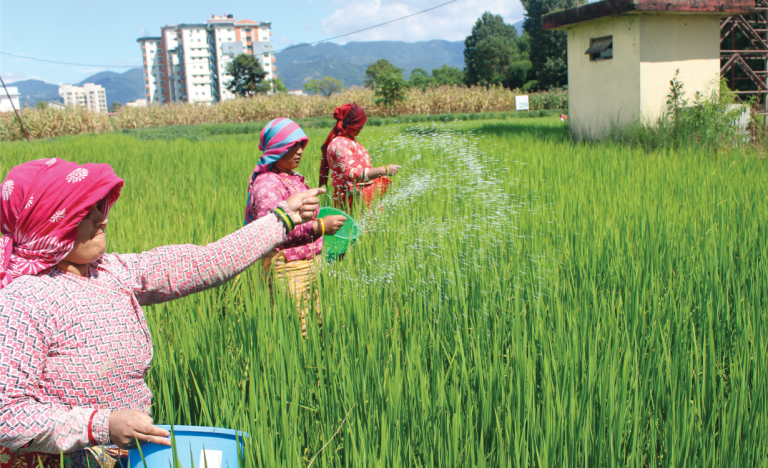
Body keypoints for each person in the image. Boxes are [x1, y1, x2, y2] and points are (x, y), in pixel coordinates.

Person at [0, 158, 322, 468]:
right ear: (47, 222)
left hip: (132, 456)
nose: (103, 218)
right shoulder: (23, 301)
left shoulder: (112, 271)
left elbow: (205, 262)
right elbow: (8, 415)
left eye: (101, 206)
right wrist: (102, 425)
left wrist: (282, 218)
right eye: (86, 211)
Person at [245, 118, 346, 337]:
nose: (299, 151)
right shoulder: (267, 183)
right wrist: (319, 227)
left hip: (310, 265)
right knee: (295, 328)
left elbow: (307, 219)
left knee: (316, 322)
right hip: (286, 269)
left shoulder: (293, 179)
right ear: (277, 148)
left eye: (301, 145)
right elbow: (272, 230)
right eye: (293, 145)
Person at [319, 103, 402, 209]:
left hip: (362, 198)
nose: (362, 127)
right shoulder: (340, 144)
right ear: (350, 124)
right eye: (359, 124)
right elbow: (353, 173)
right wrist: (385, 170)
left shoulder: (349, 140)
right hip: (351, 200)